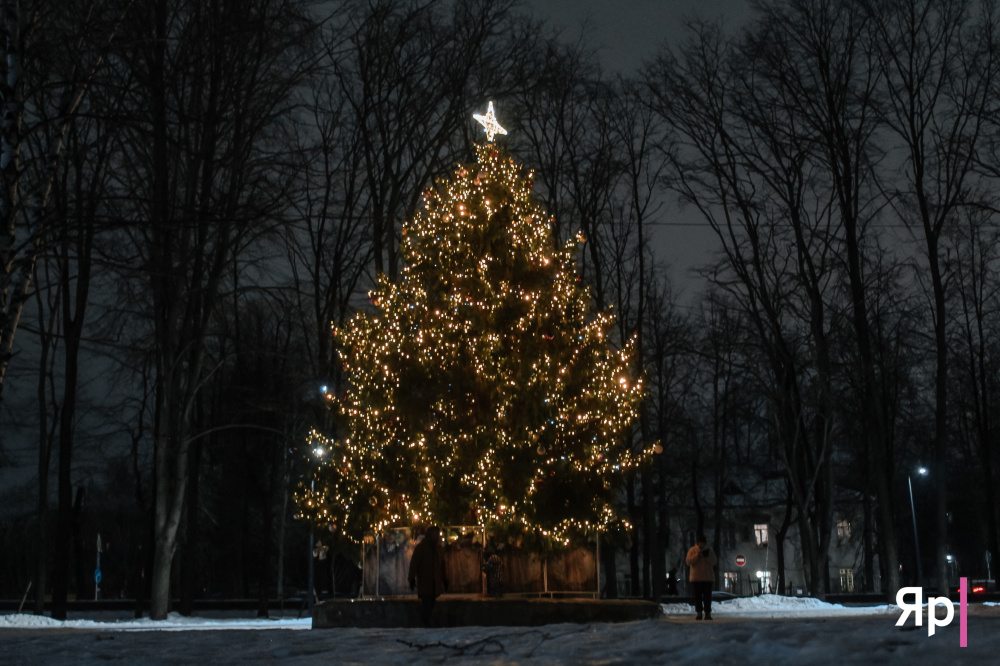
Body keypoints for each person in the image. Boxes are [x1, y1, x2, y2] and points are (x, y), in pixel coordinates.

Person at [408, 526, 448, 626]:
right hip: (425, 581)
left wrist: (445, 579)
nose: (435, 536)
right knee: (426, 604)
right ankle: (425, 624)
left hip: (435, 582)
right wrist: (411, 578)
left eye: (436, 534)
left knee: (431, 603)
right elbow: (414, 563)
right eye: (433, 533)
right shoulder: (421, 548)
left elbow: (442, 565)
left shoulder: (438, 548)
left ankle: (427, 623)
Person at [685, 534, 717, 620]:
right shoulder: (692, 550)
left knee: (707, 597)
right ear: (697, 543)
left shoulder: (709, 550)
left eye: (703, 543)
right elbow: (688, 561)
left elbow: (714, 562)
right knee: (697, 597)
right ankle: (699, 613)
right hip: (696, 578)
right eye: (700, 543)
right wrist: (697, 555)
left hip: (707, 578)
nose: (702, 545)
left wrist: (706, 556)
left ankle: (707, 613)